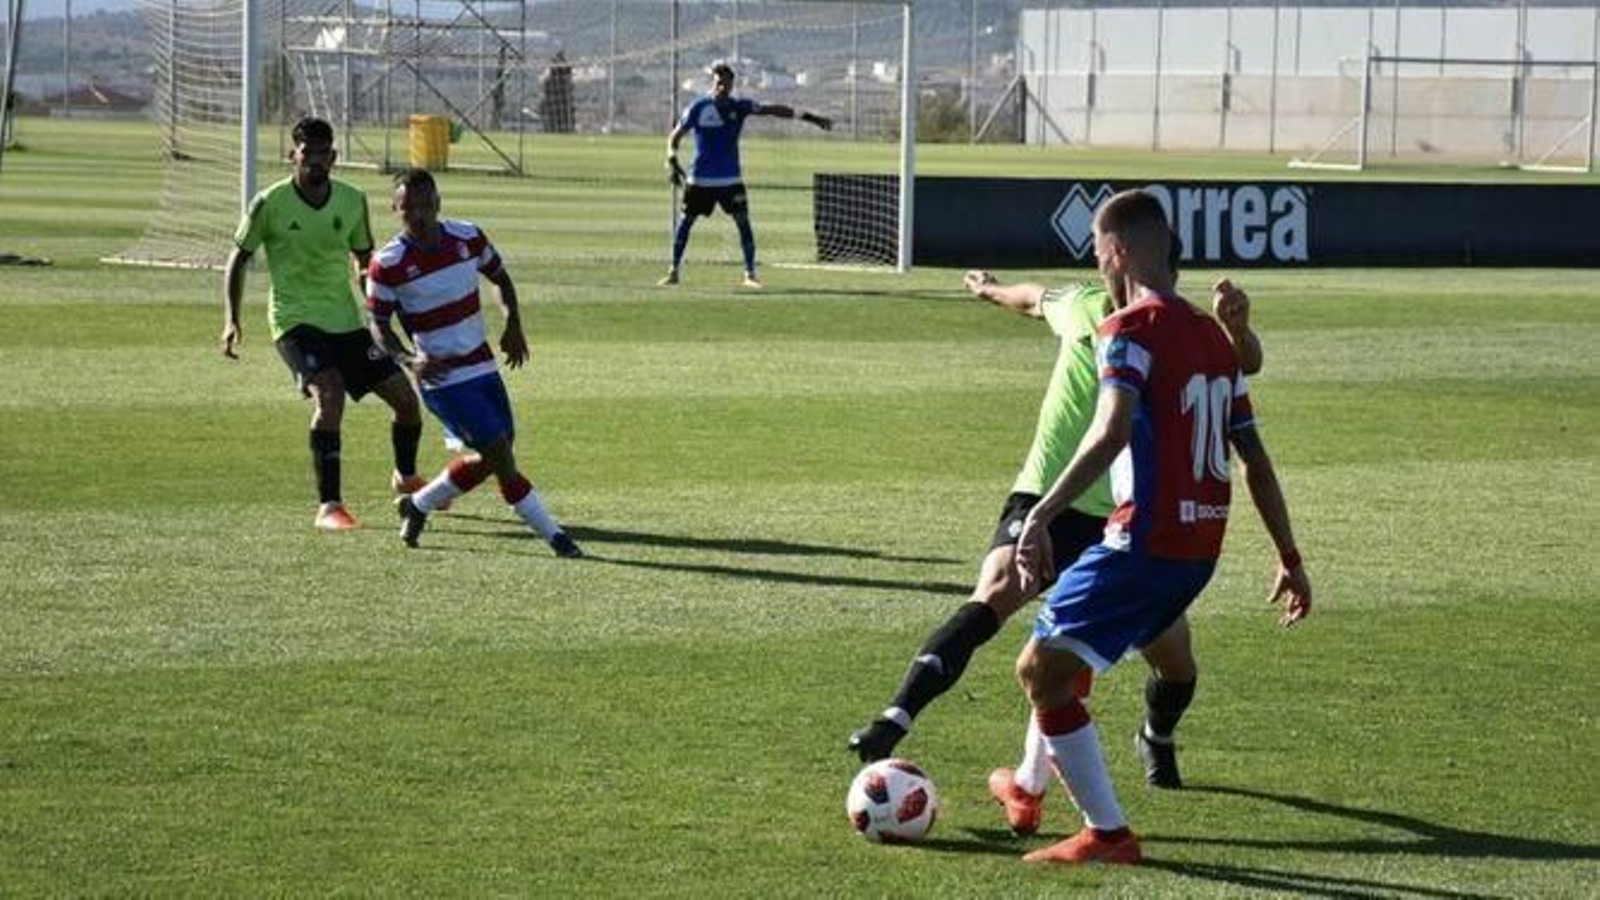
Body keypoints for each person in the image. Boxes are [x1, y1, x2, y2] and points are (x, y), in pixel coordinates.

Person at [848, 261, 1263, 812]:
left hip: (1125, 519)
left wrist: (1237, 329)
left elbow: (1240, 365)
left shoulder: (1174, 331)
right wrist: (988, 289)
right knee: (996, 593)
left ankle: (1152, 737)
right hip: (1047, 496)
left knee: (1175, 664)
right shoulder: (1082, 305)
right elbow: (1030, 298)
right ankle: (895, 718)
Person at [1004, 189, 1311, 866]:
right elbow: (1254, 456)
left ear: (1116, 251)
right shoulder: (1214, 340)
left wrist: (1042, 514)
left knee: (1040, 669)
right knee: (1066, 650)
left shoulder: (1129, 330)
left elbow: (1110, 431)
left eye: (1097, 253)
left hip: (1142, 541)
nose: (1098, 265)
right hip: (1198, 550)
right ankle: (1026, 786)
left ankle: (1107, 834)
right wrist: (1289, 555)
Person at [221, 115, 426, 532]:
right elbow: (238, 258)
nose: (316, 161)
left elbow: (364, 260)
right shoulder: (269, 203)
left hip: (345, 321)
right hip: (294, 321)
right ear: (293, 155)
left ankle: (405, 476)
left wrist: (377, 306)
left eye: (323, 153)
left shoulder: (351, 200)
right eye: (307, 153)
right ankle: (329, 506)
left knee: (406, 401)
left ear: (333, 156)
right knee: (329, 394)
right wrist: (231, 319)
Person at [366, 168, 583, 559]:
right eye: (409, 207)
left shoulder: (467, 236)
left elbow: (500, 278)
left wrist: (513, 323)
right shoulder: (388, 263)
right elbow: (377, 324)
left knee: (493, 455)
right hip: (442, 378)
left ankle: (418, 504)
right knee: (502, 458)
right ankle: (557, 538)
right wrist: (409, 360)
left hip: (482, 365)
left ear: (438, 203)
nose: (419, 214)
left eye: (426, 204)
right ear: (395, 209)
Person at [659, 62, 832, 289]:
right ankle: (673, 272)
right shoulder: (698, 108)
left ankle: (750, 274)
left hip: (731, 180)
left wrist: (810, 117)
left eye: (726, 83)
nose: (722, 87)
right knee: (685, 223)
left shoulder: (739, 107)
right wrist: (671, 159)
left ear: (732, 84)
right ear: (712, 83)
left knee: (743, 224)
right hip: (699, 179)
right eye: (718, 83)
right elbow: (675, 136)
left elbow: (772, 109)